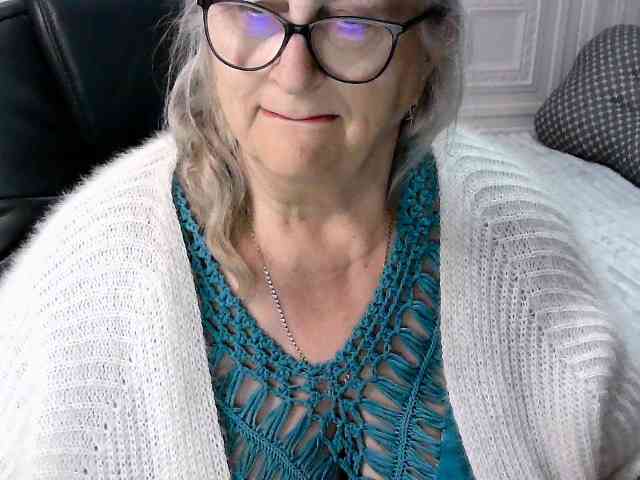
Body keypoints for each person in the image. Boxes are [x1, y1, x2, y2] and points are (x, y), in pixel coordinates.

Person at [1, 1, 639, 479]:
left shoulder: (517, 231)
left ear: (426, 58)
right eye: (255, 12)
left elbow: (618, 447)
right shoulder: (85, 279)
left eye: (352, 25)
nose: (293, 70)